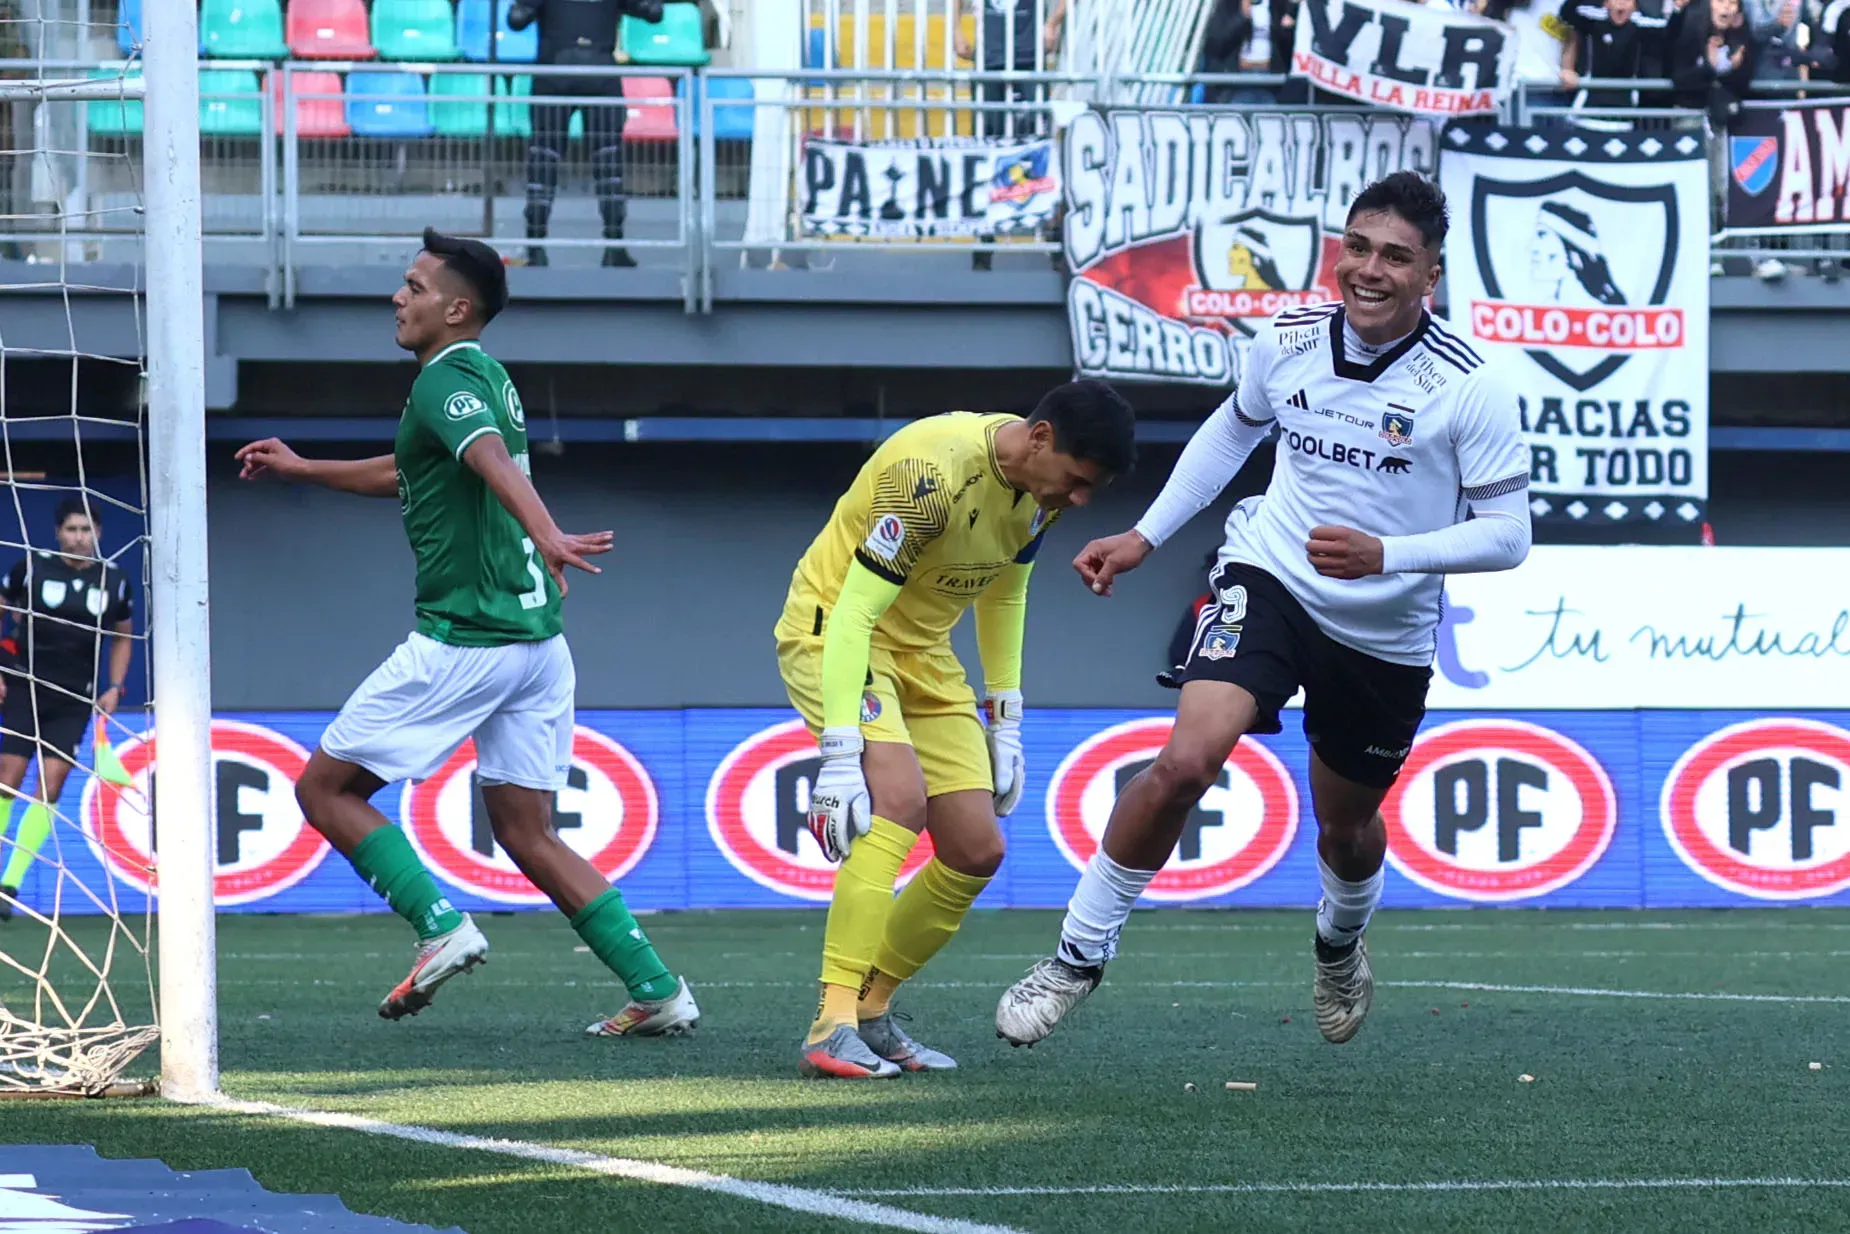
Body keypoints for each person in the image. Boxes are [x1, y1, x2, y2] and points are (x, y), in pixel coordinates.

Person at [995, 172, 1533, 1050]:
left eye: (1396, 256)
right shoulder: (1286, 341)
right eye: (1358, 246)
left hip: (1384, 627)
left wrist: (1385, 556)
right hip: (1268, 573)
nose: (1369, 269)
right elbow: (1232, 431)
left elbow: (1510, 536)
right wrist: (1147, 537)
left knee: (1347, 825)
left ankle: (1339, 942)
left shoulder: (1468, 387)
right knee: (1184, 762)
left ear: (1430, 275)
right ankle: (1075, 956)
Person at [234, 228, 698, 1037]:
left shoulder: (444, 379)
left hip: (466, 639)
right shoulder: (485, 376)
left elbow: (485, 455)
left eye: (412, 286)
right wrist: (304, 468)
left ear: (455, 308)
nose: (397, 297)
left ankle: (440, 926)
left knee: (324, 790)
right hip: (538, 649)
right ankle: (657, 988)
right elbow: (417, 469)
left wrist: (548, 533)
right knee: (528, 831)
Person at [780, 380, 1136, 1078]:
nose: (1080, 499)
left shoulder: (1041, 496)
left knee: (976, 849)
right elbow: (853, 615)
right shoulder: (929, 476)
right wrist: (840, 754)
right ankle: (831, 1024)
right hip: (838, 636)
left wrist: (1007, 717)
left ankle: (874, 1009)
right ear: (1039, 440)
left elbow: (1008, 590)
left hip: (926, 654)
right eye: (1076, 480)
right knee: (899, 803)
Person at [0, 500, 134, 920]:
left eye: (87, 530)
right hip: (25, 685)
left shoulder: (115, 580)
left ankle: (11, 883)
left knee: (52, 783)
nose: (80, 538)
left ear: (98, 534)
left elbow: (123, 636)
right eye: (73, 529)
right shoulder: (30, 568)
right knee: (9, 778)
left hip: (76, 695)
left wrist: (113, 686)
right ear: (59, 532)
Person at [506, 0, 665, 268]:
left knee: (543, 161)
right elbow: (653, 12)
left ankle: (535, 246)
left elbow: (516, 20)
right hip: (599, 72)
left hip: (555, 72)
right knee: (608, 163)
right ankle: (614, 246)